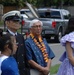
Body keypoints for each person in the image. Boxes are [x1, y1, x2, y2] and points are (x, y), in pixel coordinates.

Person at [2, 10, 30, 75]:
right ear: (7, 23)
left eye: (18, 21)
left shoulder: (20, 37)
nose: (17, 23)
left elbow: (24, 56)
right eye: (15, 21)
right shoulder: (3, 38)